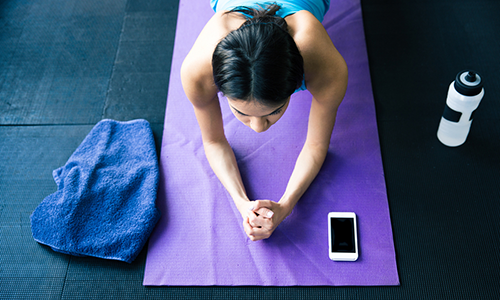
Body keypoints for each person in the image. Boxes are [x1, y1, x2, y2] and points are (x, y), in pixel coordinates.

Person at [180, 0, 348, 241]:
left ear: (296, 83)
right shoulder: (197, 73)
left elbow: (316, 145)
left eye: (274, 111)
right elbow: (214, 141)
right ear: (221, 88)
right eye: (241, 112)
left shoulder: (325, 67)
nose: (258, 128)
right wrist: (241, 203)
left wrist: (287, 204)